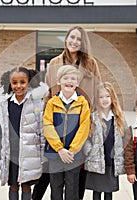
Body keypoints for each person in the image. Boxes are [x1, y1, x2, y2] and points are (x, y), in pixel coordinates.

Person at [35, 25, 101, 200]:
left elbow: (97, 90)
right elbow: (48, 94)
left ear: (83, 43)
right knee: (53, 175)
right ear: (66, 39)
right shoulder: (55, 63)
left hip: (82, 124)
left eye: (79, 39)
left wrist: (92, 122)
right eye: (72, 37)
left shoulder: (90, 63)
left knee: (77, 177)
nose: (74, 41)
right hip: (57, 124)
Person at [0, 67, 48, 200]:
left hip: (29, 152)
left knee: (26, 186)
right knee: (13, 185)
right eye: (14, 83)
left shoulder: (36, 103)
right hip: (12, 151)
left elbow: (41, 129)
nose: (18, 86)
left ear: (29, 82)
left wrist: (42, 154)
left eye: (22, 82)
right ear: (9, 83)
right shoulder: (5, 103)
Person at [43, 65, 91, 200]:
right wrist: (59, 149)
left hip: (73, 155)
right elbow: (48, 125)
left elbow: (84, 127)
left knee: (72, 187)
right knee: (56, 187)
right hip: (55, 153)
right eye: (65, 78)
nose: (69, 81)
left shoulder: (82, 103)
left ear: (77, 83)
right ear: (58, 81)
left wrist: (72, 150)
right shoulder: (52, 102)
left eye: (73, 78)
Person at [83, 82, 126, 200]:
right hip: (97, 160)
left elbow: (123, 138)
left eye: (107, 96)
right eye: (101, 97)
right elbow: (86, 138)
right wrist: (90, 151)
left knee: (109, 191)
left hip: (111, 161)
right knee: (97, 192)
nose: (104, 100)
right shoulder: (92, 117)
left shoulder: (118, 117)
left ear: (112, 98)